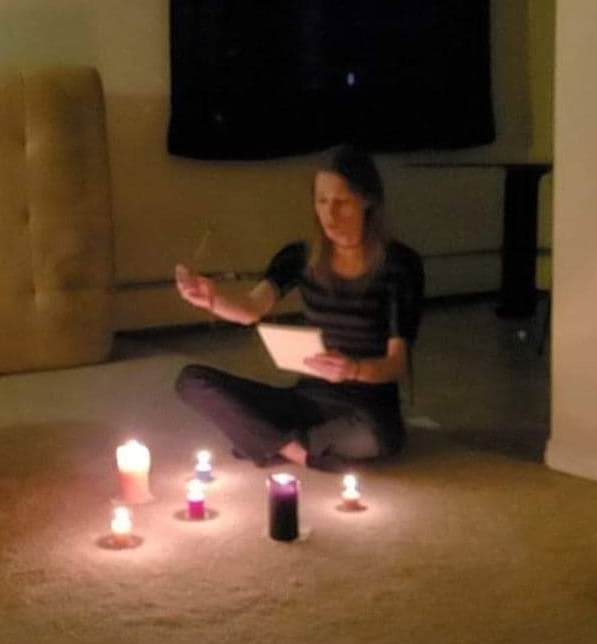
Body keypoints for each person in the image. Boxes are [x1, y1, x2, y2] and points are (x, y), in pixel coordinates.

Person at [173, 144, 423, 472]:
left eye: (342, 202)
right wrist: (211, 299)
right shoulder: (301, 255)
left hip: (366, 411)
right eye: (322, 201)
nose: (330, 215)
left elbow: (396, 365)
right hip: (306, 401)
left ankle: (264, 440)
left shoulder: (400, 265)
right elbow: (252, 308)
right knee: (191, 381)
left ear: (367, 201)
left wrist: (353, 369)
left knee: (378, 437)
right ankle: (298, 451)